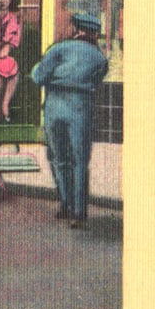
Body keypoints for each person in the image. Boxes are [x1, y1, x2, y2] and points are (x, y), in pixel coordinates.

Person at [30, 13, 109, 229]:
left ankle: (65, 204)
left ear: (76, 29)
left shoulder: (58, 49)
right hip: (81, 109)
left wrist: (41, 70)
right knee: (80, 162)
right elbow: (97, 82)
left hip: (55, 107)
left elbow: (38, 77)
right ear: (93, 33)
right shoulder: (99, 58)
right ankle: (79, 213)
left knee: (59, 159)